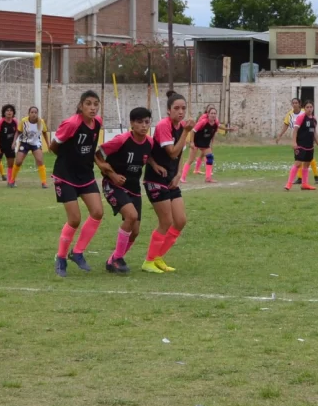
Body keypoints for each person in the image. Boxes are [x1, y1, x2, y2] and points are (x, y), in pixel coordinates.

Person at [95, 107, 158, 274]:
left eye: (147, 122)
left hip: (133, 188)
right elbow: (97, 154)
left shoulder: (149, 142)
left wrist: (155, 165)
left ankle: (113, 259)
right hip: (113, 185)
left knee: (135, 231)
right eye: (139, 122)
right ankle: (117, 259)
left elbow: (148, 155)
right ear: (131, 123)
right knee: (131, 215)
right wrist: (112, 174)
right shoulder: (121, 140)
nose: (144, 126)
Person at [50, 90, 104, 278]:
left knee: (97, 212)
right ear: (81, 106)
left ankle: (78, 252)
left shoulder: (98, 123)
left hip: (85, 174)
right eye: (88, 104)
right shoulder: (71, 123)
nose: (92, 108)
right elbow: (53, 145)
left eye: (96, 104)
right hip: (65, 175)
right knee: (74, 219)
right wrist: (67, 159)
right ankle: (61, 258)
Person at [141, 90, 194, 274]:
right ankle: (148, 261)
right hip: (155, 179)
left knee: (180, 221)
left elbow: (180, 154)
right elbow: (172, 151)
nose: (181, 112)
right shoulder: (164, 125)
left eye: (183, 108)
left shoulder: (181, 127)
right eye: (177, 108)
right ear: (168, 110)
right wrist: (187, 132)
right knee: (166, 221)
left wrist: (179, 173)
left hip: (171, 178)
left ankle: (157, 257)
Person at [180, 106, 237, 183]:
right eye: (211, 113)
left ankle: (208, 178)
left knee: (210, 157)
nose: (213, 115)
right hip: (196, 142)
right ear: (208, 114)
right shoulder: (203, 122)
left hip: (205, 144)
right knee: (191, 160)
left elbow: (220, 127)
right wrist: (192, 142)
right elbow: (193, 131)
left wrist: (228, 129)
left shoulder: (216, 122)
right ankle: (182, 177)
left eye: (214, 113)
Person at [276, 98, 318, 184]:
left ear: (300, 104)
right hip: (297, 139)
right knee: (299, 160)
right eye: (293, 103)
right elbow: (286, 125)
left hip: (306, 138)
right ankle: (300, 179)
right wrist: (280, 135)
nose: (295, 104)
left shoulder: (304, 111)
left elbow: (312, 125)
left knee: (309, 159)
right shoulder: (289, 115)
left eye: (296, 103)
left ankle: (316, 177)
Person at [10, 106, 49, 188]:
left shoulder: (41, 122)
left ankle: (44, 182)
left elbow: (45, 132)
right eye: (32, 112)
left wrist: (48, 145)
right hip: (25, 143)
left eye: (35, 112)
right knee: (18, 161)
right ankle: (12, 181)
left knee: (40, 160)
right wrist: (14, 142)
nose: (34, 114)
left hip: (35, 143)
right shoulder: (24, 121)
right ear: (29, 113)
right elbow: (18, 132)